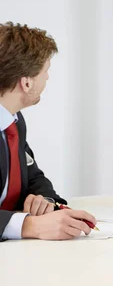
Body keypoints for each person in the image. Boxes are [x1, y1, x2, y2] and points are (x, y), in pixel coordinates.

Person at [0, 22, 96, 241]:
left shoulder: (13, 120)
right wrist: (29, 225)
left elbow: (33, 176)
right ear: (26, 83)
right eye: (46, 71)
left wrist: (45, 201)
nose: (47, 79)